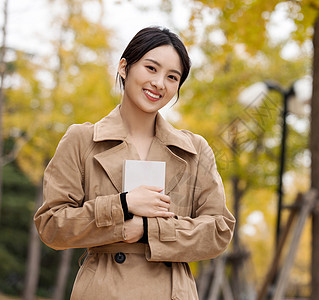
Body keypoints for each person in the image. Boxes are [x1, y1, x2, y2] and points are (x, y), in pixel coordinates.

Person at [34, 26, 235, 300]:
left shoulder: (195, 150)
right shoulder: (82, 140)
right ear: (124, 67)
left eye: (172, 77)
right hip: (104, 290)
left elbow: (219, 230)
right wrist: (122, 205)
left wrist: (147, 230)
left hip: (172, 291)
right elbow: (51, 225)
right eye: (151, 68)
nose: (160, 83)